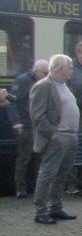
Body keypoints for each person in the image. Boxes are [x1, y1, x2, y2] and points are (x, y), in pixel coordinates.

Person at [29, 54, 80, 224]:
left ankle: (56, 207)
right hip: (57, 137)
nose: (72, 70)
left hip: (70, 136)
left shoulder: (64, 86)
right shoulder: (43, 86)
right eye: (69, 67)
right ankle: (41, 210)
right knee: (48, 173)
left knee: (62, 174)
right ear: (60, 69)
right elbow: (37, 116)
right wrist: (53, 134)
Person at [9, 59, 50, 198]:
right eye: (45, 72)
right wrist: (16, 122)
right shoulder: (23, 81)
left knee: (39, 157)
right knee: (24, 157)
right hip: (26, 125)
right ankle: (20, 188)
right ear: (36, 71)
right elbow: (12, 102)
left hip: (38, 125)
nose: (47, 75)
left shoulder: (43, 82)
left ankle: (37, 187)